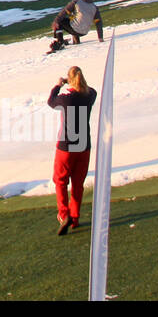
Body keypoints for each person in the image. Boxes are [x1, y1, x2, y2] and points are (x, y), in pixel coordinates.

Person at [47, 66, 97, 235]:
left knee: (60, 181)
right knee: (77, 183)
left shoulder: (65, 98)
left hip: (66, 146)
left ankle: (64, 214)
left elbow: (51, 101)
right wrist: (77, 83)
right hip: (84, 145)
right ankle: (74, 217)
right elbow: (93, 90)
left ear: (69, 79)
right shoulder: (89, 95)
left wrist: (58, 85)